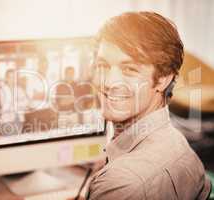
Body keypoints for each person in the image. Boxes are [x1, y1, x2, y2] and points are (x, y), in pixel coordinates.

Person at [86, 12, 211, 200]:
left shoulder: (122, 183)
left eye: (130, 69)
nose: (109, 82)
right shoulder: (181, 146)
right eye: (103, 65)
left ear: (163, 79)